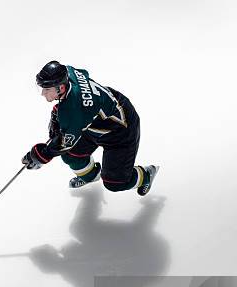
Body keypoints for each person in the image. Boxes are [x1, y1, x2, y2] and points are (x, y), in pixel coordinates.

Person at [22, 60, 159, 196]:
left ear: (61, 88)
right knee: (71, 156)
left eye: (47, 89)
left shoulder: (74, 112)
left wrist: (41, 155)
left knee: (115, 183)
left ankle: (146, 175)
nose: (43, 93)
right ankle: (91, 176)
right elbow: (84, 74)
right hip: (96, 120)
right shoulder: (68, 71)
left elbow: (64, 143)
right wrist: (61, 110)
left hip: (121, 131)